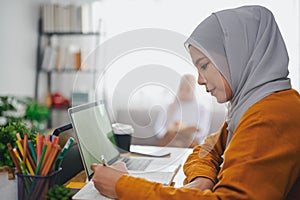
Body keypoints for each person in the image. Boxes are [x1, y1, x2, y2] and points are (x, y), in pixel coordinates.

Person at [90, 5, 300, 199]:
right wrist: (202, 180)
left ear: (238, 56)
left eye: (205, 65)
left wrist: (121, 185)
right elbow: (206, 149)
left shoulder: (270, 116)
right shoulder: (251, 106)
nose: (199, 80)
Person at [154, 74, 210, 148]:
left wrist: (186, 132)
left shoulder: (202, 108)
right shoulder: (168, 107)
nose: (184, 92)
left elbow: (202, 131)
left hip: (190, 141)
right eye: (181, 88)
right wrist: (172, 131)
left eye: (187, 89)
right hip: (170, 139)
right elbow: (158, 129)